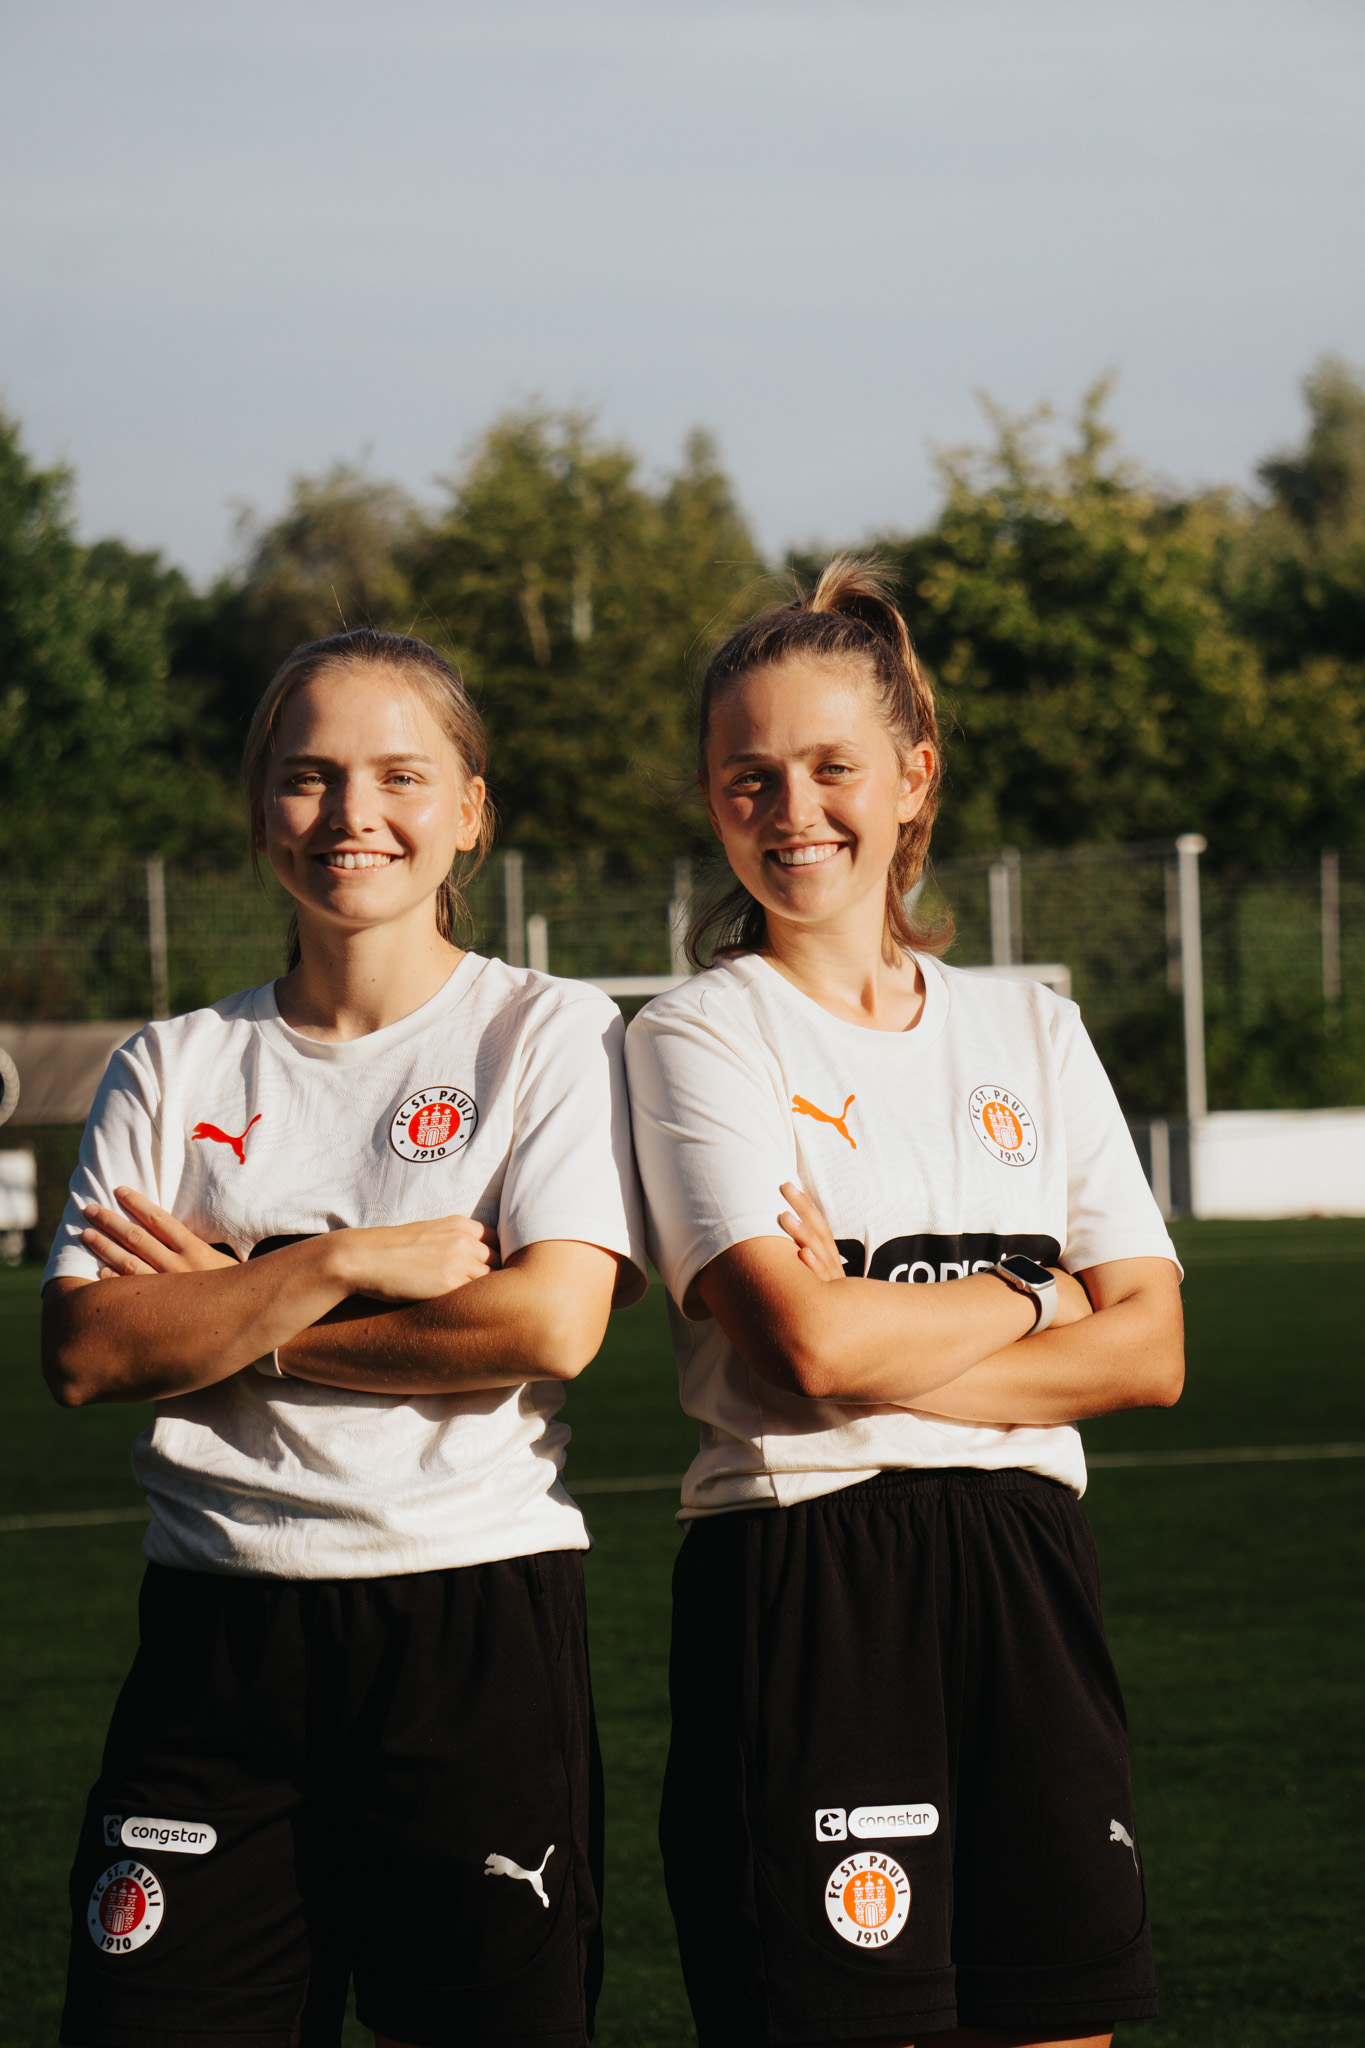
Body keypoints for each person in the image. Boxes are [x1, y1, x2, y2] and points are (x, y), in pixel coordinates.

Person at [42, 629, 646, 2048]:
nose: (350, 815)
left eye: (397, 776)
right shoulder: (174, 1063)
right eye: (307, 778)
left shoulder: (547, 1033)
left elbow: (548, 1321)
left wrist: (235, 1308)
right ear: (262, 809)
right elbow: (85, 1351)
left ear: (469, 812)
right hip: (214, 1634)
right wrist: (343, 1262)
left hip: (470, 1624)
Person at [624, 561, 1185, 2048]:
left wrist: (886, 1327)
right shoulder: (694, 1034)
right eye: (749, 777)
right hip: (802, 1572)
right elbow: (803, 1351)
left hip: (1026, 1565)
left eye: (829, 767)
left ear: (911, 776)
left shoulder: (1031, 1027)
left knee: (1057, 2018)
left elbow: (1150, 1354)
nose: (792, 808)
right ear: (709, 797)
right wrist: (1040, 1293)